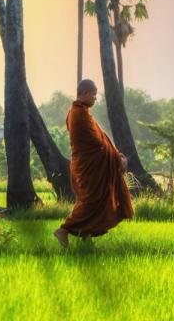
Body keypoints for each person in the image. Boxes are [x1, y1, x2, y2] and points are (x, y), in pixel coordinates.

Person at [54, 79, 133, 247]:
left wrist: (116, 155)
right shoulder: (79, 114)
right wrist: (118, 158)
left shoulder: (78, 112)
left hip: (88, 166)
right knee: (91, 202)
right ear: (85, 93)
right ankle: (64, 229)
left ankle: (86, 235)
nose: (96, 98)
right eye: (94, 94)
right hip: (89, 167)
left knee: (94, 200)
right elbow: (96, 143)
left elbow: (100, 140)